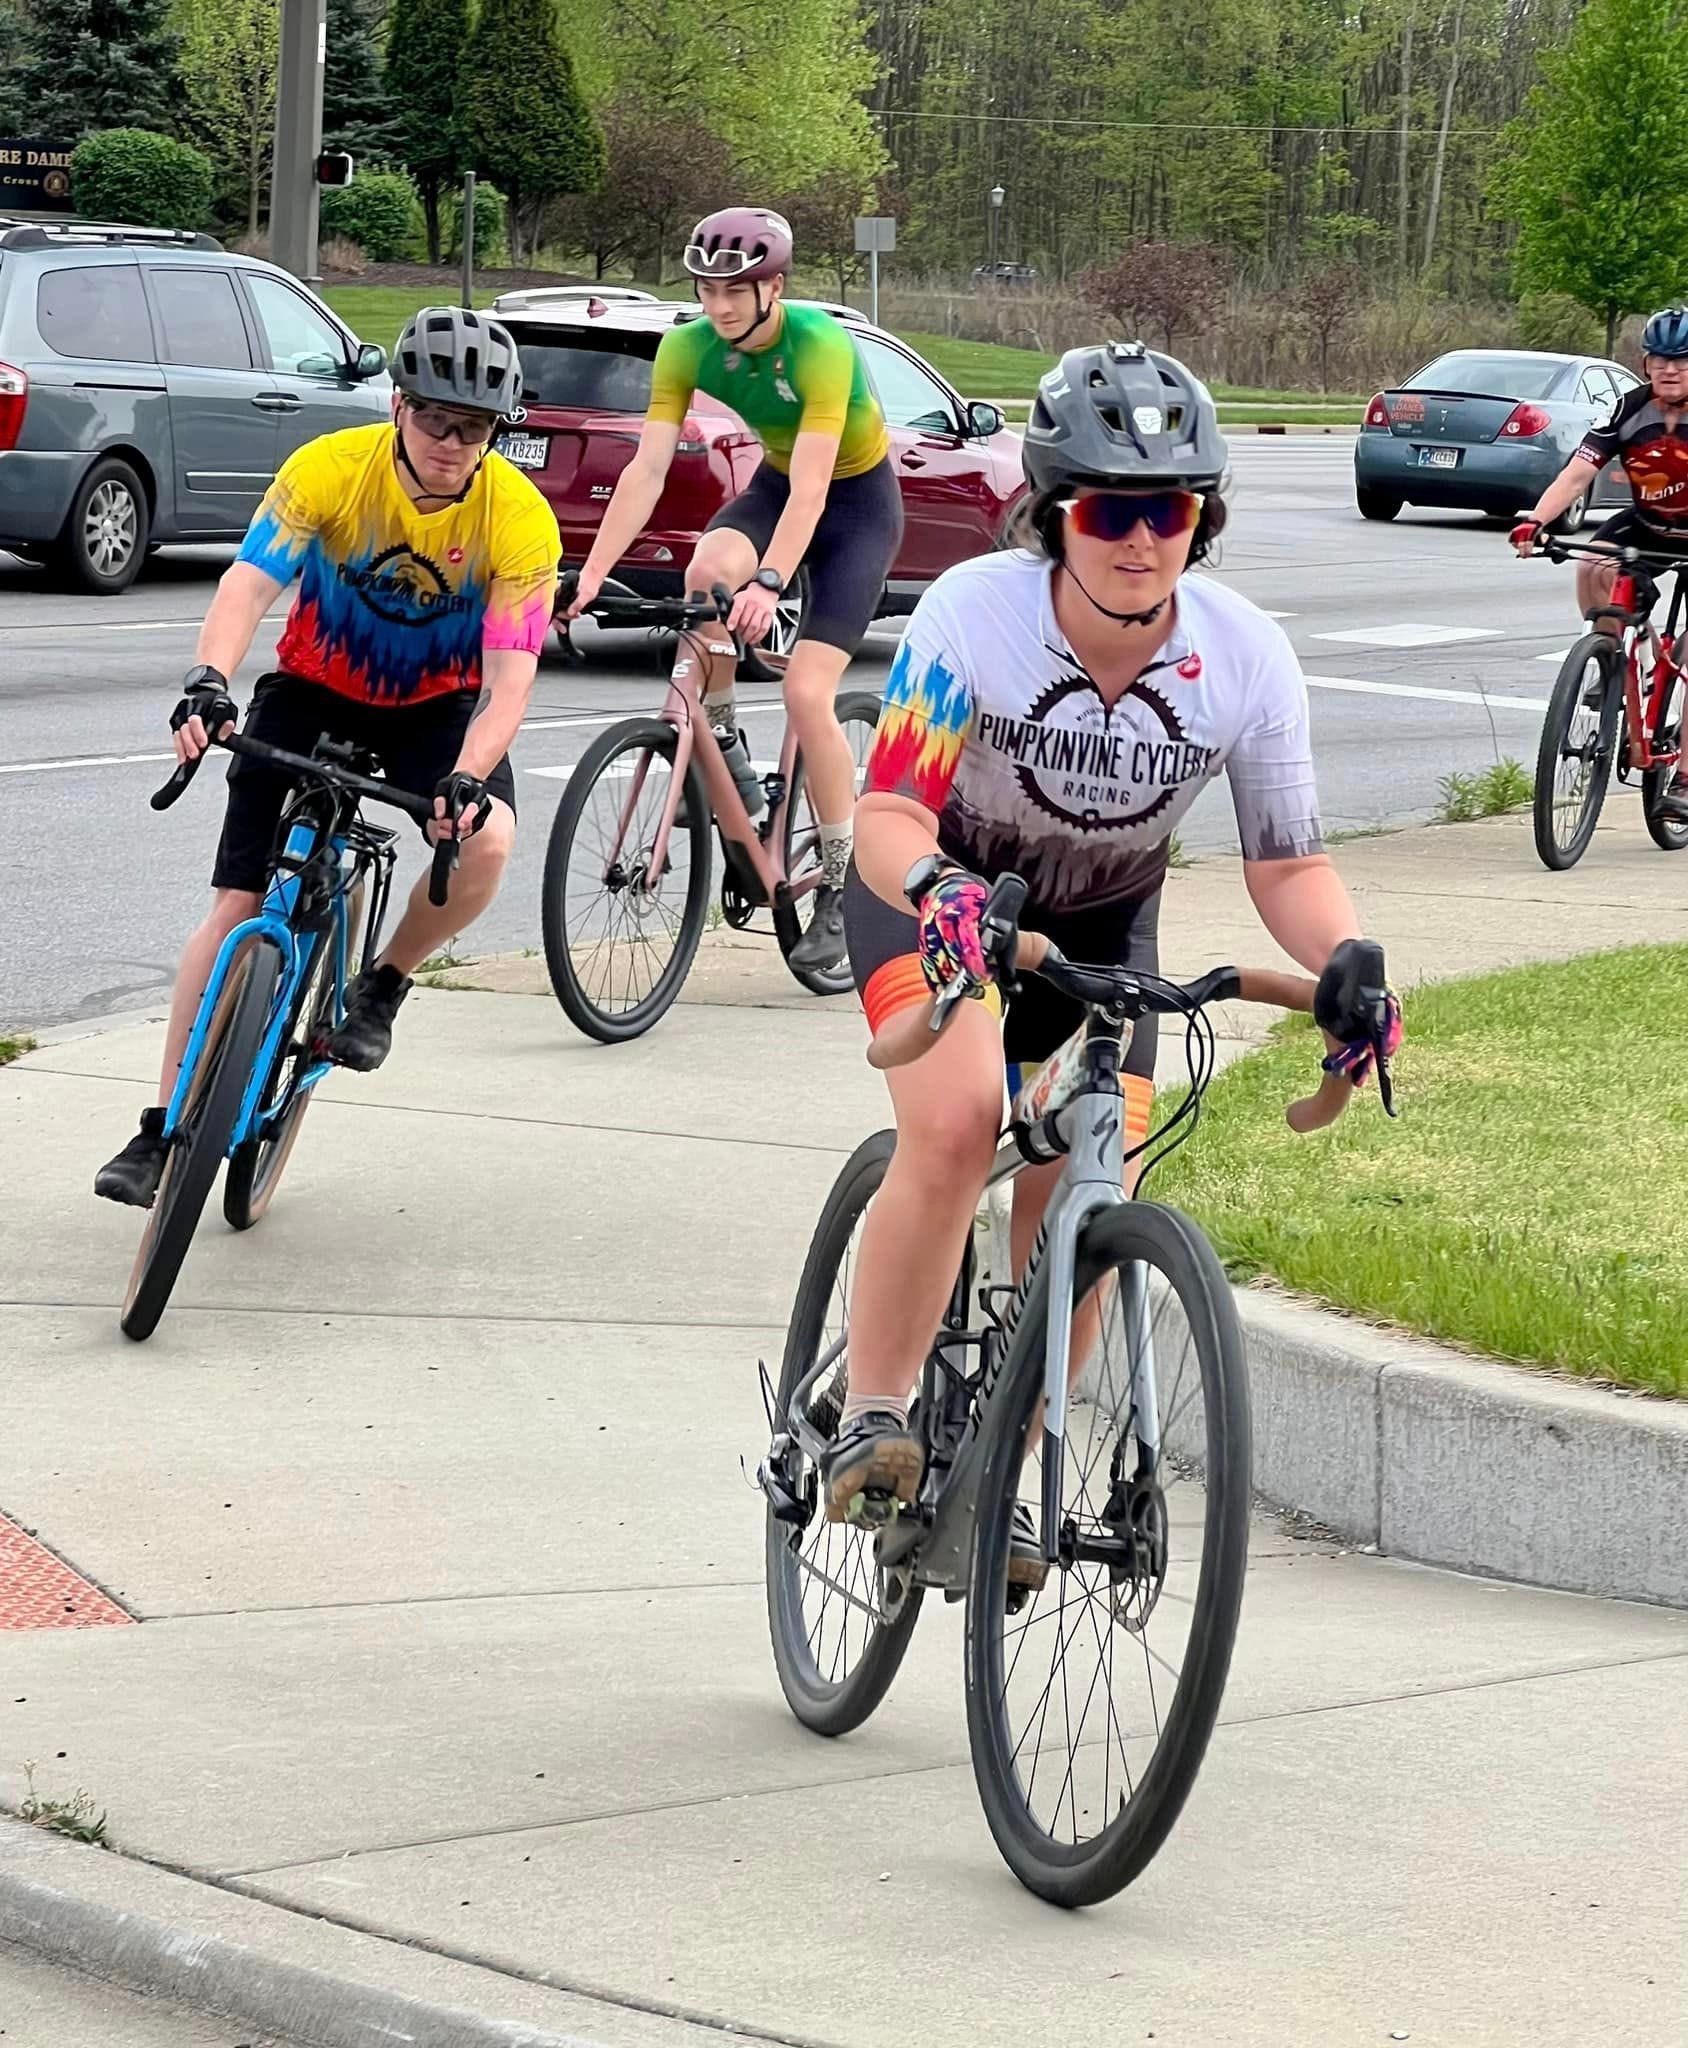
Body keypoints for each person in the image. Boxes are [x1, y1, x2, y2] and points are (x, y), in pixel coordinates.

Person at [823, 340, 1400, 1543]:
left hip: (1098, 930)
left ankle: (1008, 1473)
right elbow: (886, 815)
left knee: (1092, 1182)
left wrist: (1345, 955)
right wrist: (935, 887)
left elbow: (1286, 861)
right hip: (937, 895)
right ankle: (869, 1408)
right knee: (959, 1113)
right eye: (1110, 509)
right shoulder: (973, 614)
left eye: (1172, 511)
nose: (1141, 539)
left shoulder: (1242, 655)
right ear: (1050, 514)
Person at [95, 306, 561, 1207]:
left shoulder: (521, 520)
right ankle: (158, 1132)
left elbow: (510, 680)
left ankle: (383, 982)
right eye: (435, 418)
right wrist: (209, 679)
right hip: (313, 688)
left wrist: (466, 777)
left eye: (474, 427)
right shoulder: (328, 470)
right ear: (397, 405)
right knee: (236, 904)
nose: (452, 441)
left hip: (439, 709)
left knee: (492, 839)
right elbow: (249, 582)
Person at [565, 206, 903, 971]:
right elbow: (646, 470)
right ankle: (718, 737)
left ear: (773, 287)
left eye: (736, 290)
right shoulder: (684, 348)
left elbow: (817, 494)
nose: (717, 307)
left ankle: (848, 883)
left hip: (854, 505)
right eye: (706, 289)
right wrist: (589, 573)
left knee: (807, 693)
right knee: (705, 572)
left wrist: (773, 582)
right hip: (776, 487)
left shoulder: (819, 344)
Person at [1513, 305, 1688, 817]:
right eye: (1660, 360)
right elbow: (1577, 473)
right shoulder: (1629, 409)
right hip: (1650, 522)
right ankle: (1610, 659)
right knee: (1592, 563)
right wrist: (1537, 521)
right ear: (1645, 361)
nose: (1671, 370)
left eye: (1682, 360)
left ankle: (1684, 781)